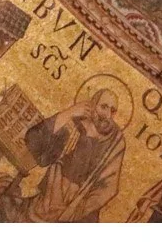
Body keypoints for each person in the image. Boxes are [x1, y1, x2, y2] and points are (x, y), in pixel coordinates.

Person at [23, 91, 126, 222]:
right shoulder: (73, 123)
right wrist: (68, 113)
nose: (107, 115)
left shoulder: (116, 141)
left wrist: (75, 210)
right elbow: (33, 140)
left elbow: (108, 188)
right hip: (48, 199)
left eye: (113, 111)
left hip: (81, 214)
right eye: (104, 107)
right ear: (92, 104)